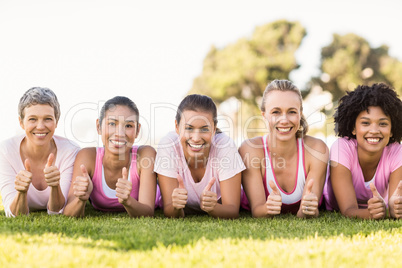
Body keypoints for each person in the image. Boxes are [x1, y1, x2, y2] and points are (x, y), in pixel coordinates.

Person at [240, 79, 329, 218]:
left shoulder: (317, 149)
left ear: (300, 114)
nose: (284, 120)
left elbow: (307, 212)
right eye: (276, 112)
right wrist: (267, 209)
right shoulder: (250, 150)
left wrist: (308, 209)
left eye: (292, 112)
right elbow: (257, 211)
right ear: (264, 115)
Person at [63, 96, 159, 217]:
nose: (119, 133)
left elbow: (148, 212)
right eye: (112, 123)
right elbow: (69, 213)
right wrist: (80, 199)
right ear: (99, 126)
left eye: (128, 126)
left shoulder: (145, 155)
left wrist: (128, 201)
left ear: (137, 130)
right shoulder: (87, 157)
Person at [154, 94, 245, 218]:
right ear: (177, 126)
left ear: (214, 129)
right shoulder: (168, 145)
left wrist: (213, 208)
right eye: (189, 128)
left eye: (204, 129)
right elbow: (170, 210)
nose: (196, 138)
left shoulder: (225, 146)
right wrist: (176, 207)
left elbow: (232, 211)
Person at [324, 83, 402, 219]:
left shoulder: (397, 152)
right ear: (353, 128)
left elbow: (393, 203)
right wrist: (381, 213)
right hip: (333, 206)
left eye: (383, 123)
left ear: (392, 130)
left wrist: (395, 208)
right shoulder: (341, 147)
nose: (374, 130)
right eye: (365, 123)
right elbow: (348, 210)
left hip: (378, 208)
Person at [0, 87, 80, 217]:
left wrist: (55, 187)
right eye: (32, 119)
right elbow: (14, 214)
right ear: (21, 123)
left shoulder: (71, 151)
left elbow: (57, 211)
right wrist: (21, 192)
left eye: (48, 119)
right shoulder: (5, 151)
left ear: (56, 122)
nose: (40, 126)